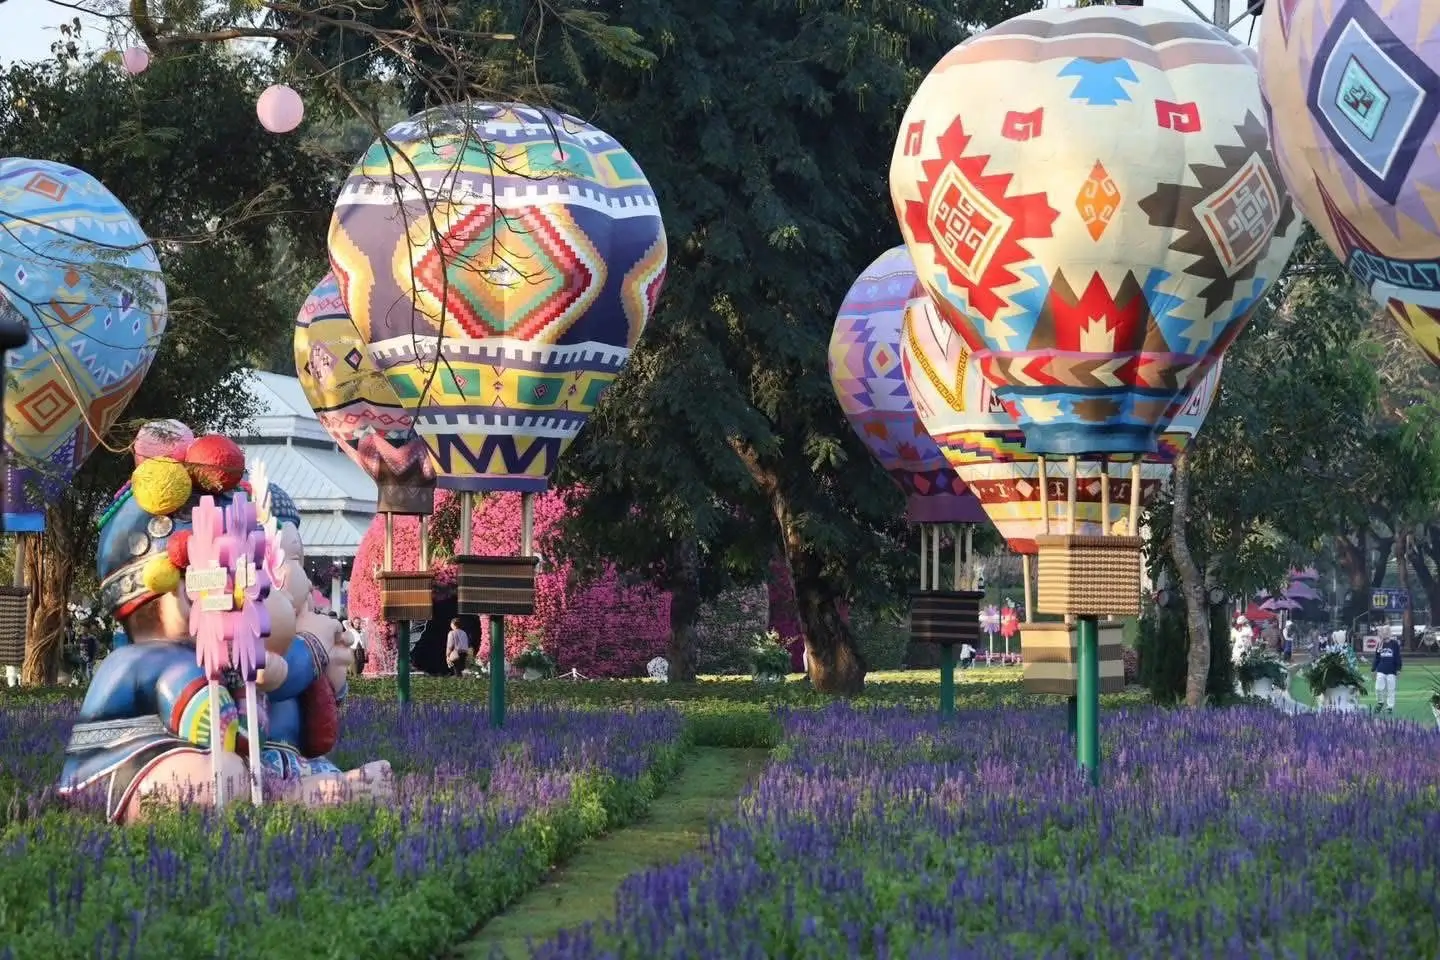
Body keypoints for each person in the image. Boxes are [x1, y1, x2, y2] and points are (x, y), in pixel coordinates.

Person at [1372, 632, 1402, 714]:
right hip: (1381, 669)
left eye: (1386, 631)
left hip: (1391, 671)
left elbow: (1397, 657)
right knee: (1378, 688)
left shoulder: (1394, 644)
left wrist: (1398, 669)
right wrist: (1373, 669)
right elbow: (1377, 657)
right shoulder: (1380, 644)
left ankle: (1390, 706)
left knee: (1391, 690)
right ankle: (1380, 702)